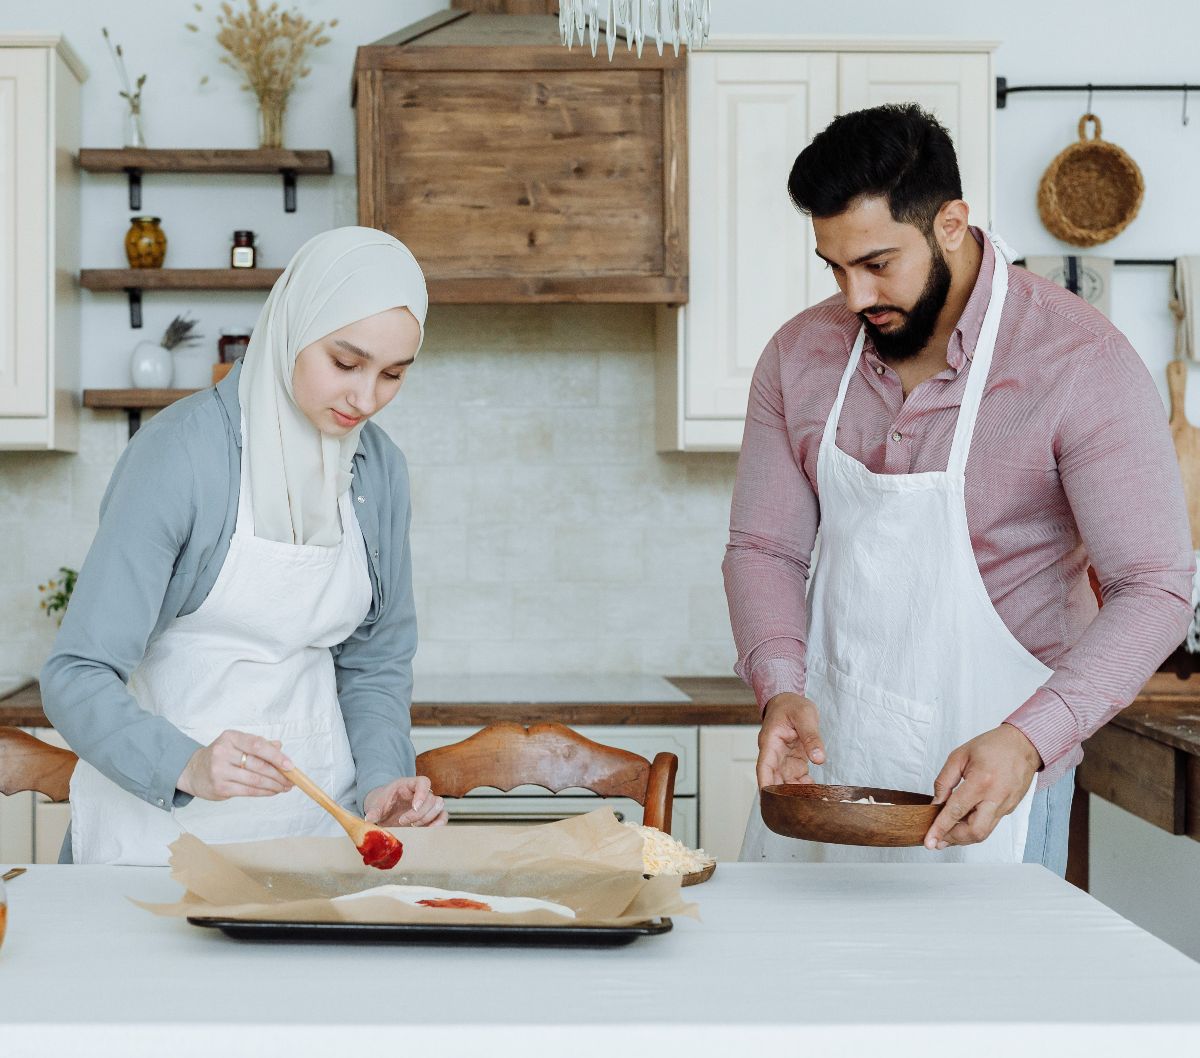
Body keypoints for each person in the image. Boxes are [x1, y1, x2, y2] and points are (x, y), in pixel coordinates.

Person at [725, 104, 1194, 872]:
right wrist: (779, 687)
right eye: (835, 267)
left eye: (878, 264)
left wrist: (1031, 739)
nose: (853, 298)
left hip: (995, 787)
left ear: (951, 223)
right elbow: (762, 548)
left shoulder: (1079, 363)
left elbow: (1156, 587)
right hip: (829, 776)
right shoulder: (798, 357)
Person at [41, 226, 447, 865]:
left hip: (315, 833)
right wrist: (189, 765)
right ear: (291, 327)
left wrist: (383, 781)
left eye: (393, 374)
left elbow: (374, 663)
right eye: (345, 363)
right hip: (160, 833)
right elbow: (76, 675)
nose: (366, 398)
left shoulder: (379, 469)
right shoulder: (179, 454)